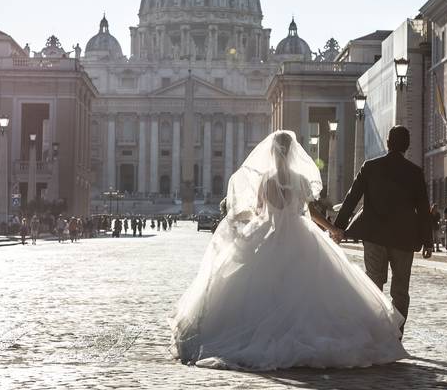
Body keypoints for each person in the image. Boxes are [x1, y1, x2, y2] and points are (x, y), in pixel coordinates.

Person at [171, 130, 406, 370]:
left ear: (272, 152)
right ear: (293, 152)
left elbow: (260, 211)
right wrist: (333, 228)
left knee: (265, 289)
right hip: (300, 234)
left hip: (269, 234)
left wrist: (242, 220)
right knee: (310, 287)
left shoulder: (266, 180)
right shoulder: (299, 179)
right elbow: (309, 211)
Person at [334, 125, 433, 333]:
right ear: (407, 145)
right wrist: (428, 241)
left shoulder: (370, 167)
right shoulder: (415, 172)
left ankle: (375, 332)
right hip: (404, 238)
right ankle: (396, 335)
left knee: (373, 283)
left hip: (373, 235)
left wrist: (338, 228)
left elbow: (351, 199)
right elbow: (424, 209)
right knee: (400, 289)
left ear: (388, 143)